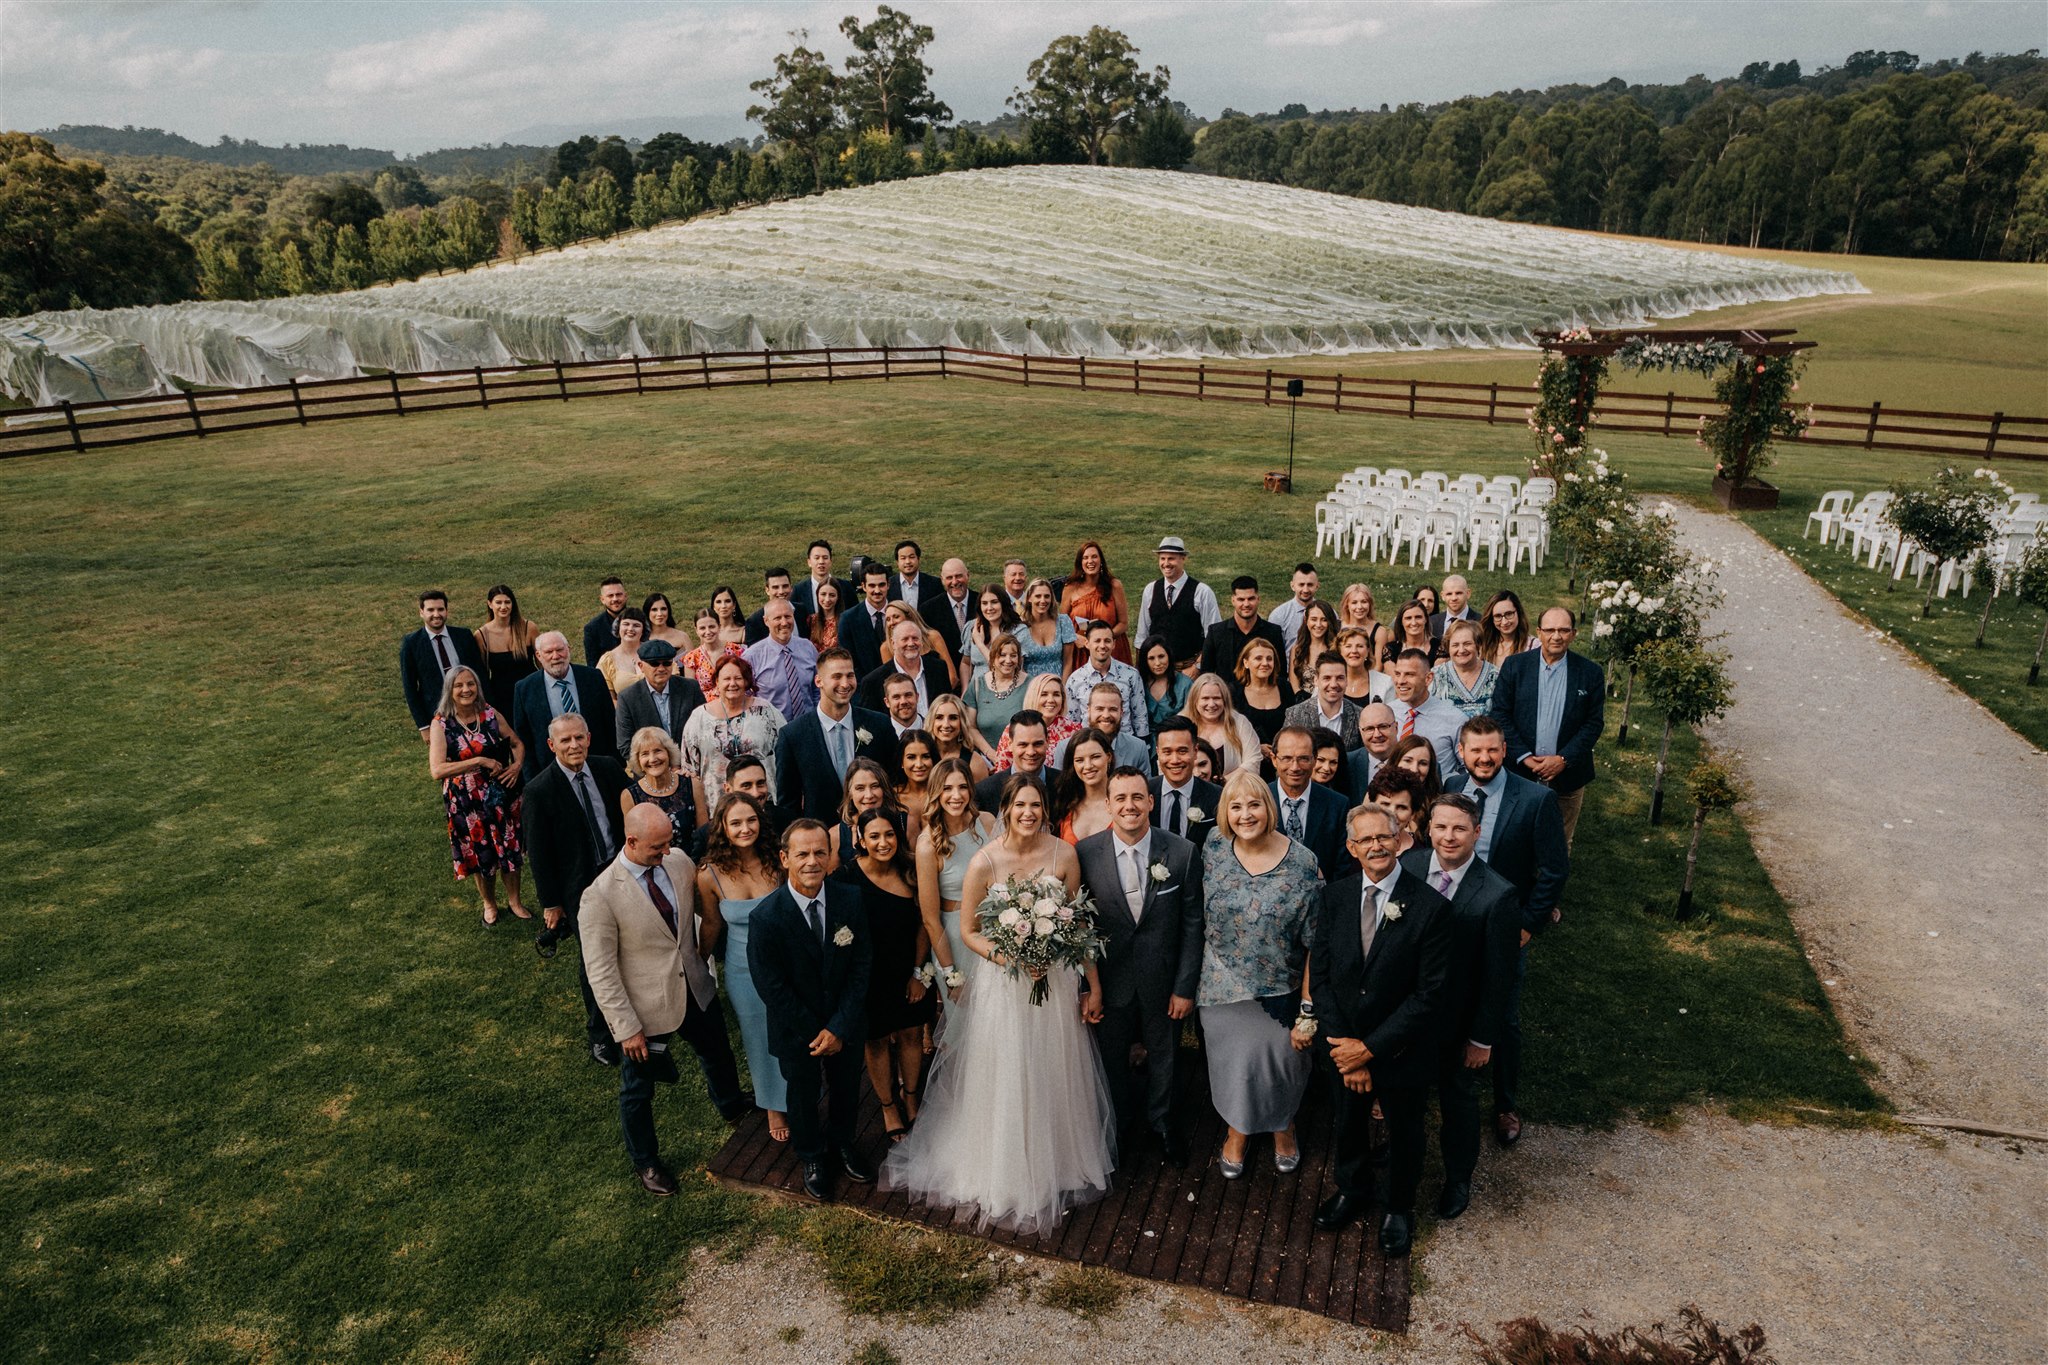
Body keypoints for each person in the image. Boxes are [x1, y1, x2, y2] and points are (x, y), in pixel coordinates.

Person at [880, 776, 1114, 1235]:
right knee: (1006, 1069)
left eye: (1035, 805)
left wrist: (1092, 982)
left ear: (1044, 809)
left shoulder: (1063, 855)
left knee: (1051, 1068)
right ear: (1005, 810)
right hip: (1003, 986)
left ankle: (1058, 1160)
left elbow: (1076, 921)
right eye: (1019, 805)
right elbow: (968, 930)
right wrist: (1009, 956)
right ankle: (1003, 1165)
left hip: (1053, 982)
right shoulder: (985, 861)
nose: (1028, 813)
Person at [581, 805, 752, 1196]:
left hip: (694, 985)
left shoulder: (676, 861)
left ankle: (730, 1104)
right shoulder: (600, 896)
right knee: (638, 1091)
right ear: (631, 842)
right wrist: (626, 1029)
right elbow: (601, 972)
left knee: (718, 1051)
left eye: (669, 843)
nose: (667, 851)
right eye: (657, 847)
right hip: (647, 1010)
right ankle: (646, 1162)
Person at [1305, 802, 1451, 1256]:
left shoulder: (1430, 908)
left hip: (1400, 1050)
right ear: (1351, 848)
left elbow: (1429, 997)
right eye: (1365, 840)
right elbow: (1322, 977)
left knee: (1406, 1129)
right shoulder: (1333, 898)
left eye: (1383, 837)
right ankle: (1353, 1188)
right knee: (1347, 1121)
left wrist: (1368, 1050)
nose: (1375, 846)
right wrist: (1342, 1046)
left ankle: (1398, 1206)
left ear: (1401, 839)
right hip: (1342, 1043)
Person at [1442, 716, 1569, 1150]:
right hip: (1451, 921)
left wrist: (1529, 925)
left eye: (1492, 749)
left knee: (1505, 1015)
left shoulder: (1534, 800)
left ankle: (1505, 1103)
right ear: (1462, 752)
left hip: (1504, 928)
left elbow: (1554, 869)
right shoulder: (1451, 787)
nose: (1484, 758)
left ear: (1503, 751)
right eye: (1475, 750)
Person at [1075, 767, 1203, 1164]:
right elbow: (1080, 924)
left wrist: (1184, 987)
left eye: (1137, 797)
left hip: (1163, 980)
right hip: (1110, 981)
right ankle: (1118, 1125)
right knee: (1111, 1057)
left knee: (1164, 1054)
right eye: (1121, 799)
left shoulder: (1181, 852)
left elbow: (1193, 925)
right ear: (1109, 804)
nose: (1129, 806)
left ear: (1150, 802)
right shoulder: (1085, 853)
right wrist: (1088, 986)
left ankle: (1162, 1122)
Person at [1402, 793, 1519, 1222]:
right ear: (1427, 829)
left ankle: (1458, 1177)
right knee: (1405, 1094)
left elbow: (1498, 976)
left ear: (1476, 833)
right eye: (1441, 827)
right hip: (1408, 1015)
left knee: (1457, 1102)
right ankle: (1400, 1156)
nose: (1448, 837)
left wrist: (1482, 1038)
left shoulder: (1498, 895)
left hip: (1458, 1022)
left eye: (1459, 829)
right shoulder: (1410, 868)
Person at [1199, 769, 1318, 1180]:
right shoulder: (1213, 846)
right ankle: (1238, 1130)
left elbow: (1315, 944)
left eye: (1253, 805)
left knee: (1281, 1066)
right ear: (1224, 813)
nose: (1245, 815)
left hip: (1280, 990)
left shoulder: (1303, 863)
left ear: (1268, 809)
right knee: (1235, 1067)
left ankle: (1284, 1125)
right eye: (1235, 806)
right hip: (1220, 986)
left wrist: (1306, 1007)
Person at [747, 821, 874, 1203]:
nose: (812, 861)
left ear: (831, 855)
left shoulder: (850, 900)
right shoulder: (766, 917)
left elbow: (861, 964)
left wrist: (838, 1027)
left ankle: (843, 1143)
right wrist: (815, 1030)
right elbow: (770, 986)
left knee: (847, 1087)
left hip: (844, 1022)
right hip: (795, 1027)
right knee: (801, 1093)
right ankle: (812, 1156)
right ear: (785, 858)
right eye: (802, 853)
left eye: (820, 852)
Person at [521, 715, 629, 1062]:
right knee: (594, 958)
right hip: (579, 887)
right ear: (552, 746)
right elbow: (538, 853)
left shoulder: (608, 769)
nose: (573, 746)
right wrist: (551, 903)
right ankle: (600, 1034)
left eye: (578, 738)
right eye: (565, 741)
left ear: (589, 738)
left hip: (619, 870)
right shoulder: (539, 790)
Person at [696, 792, 790, 1142]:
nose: (745, 828)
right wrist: (698, 960)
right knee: (757, 1036)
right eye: (735, 822)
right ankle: (772, 1105)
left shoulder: (776, 859)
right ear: (722, 826)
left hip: (784, 963)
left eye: (750, 820)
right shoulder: (709, 874)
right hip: (741, 968)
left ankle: (797, 1090)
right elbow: (710, 924)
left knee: (789, 1028)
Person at [844, 809, 935, 1142]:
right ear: (861, 840)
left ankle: (911, 1096)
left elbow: (925, 923)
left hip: (910, 968)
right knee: (877, 1042)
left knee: (912, 1035)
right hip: (869, 977)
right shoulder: (846, 877)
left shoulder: (911, 871)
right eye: (875, 836)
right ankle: (887, 1105)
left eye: (889, 835)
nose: (883, 843)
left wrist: (917, 973)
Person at [1490, 607, 1605, 847]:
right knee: (1516, 839)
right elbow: (1500, 714)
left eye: (1564, 630)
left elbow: (1593, 724)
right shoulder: (1515, 667)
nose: (1557, 636)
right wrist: (1524, 757)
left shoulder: (1590, 673)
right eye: (1550, 630)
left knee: (1558, 843)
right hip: (1520, 772)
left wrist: (1563, 759)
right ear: (1539, 632)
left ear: (1573, 634)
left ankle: (1551, 884)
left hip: (1568, 776)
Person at [428, 665, 528, 925]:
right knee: (480, 852)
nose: (466, 690)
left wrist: (516, 767)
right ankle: (489, 904)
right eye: (459, 685)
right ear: (449, 691)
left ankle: (515, 901)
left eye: (470, 684)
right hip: (466, 800)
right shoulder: (441, 723)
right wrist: (480, 761)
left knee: (508, 847)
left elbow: (516, 742)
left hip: (500, 794)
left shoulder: (490, 714)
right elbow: (437, 769)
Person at [775, 647, 899, 826]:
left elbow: (894, 781)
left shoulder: (879, 724)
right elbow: (788, 803)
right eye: (836, 676)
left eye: (850, 675)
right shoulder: (793, 735)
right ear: (818, 681)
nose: (845, 683)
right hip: (822, 836)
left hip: (876, 832)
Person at [914, 757, 996, 1003]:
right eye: (947, 788)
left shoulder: (987, 822)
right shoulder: (928, 844)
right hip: (957, 940)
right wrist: (951, 974)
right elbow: (930, 919)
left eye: (962, 787)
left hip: (996, 931)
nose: (956, 795)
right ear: (936, 793)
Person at [681, 655, 785, 815]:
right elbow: (690, 768)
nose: (732, 683)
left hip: (762, 803)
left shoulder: (766, 711)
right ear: (717, 682)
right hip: (717, 807)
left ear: (746, 681)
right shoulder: (699, 717)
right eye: (726, 679)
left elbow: (785, 752)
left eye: (738, 678)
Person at [512, 630, 617, 773]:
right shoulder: (524, 689)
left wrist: (616, 764)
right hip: (551, 771)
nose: (556, 656)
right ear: (538, 655)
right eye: (549, 652)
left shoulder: (593, 678)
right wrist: (532, 778)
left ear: (569, 650)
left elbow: (610, 723)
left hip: (597, 764)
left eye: (560, 650)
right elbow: (525, 739)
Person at [1270, 725, 1351, 882]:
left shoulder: (1337, 805)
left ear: (1314, 759)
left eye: (1303, 759)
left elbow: (1341, 867)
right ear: (1274, 759)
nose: (1295, 767)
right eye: (1287, 758)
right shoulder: (1258, 800)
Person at [401, 589, 485, 737]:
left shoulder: (463, 636)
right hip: (438, 715)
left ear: (446, 610)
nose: (436, 614)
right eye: (430, 610)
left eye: (440, 609)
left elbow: (480, 674)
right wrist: (423, 726)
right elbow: (410, 688)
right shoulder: (411, 644)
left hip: (471, 709)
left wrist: (485, 708)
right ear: (421, 612)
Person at [1133, 536, 1221, 672]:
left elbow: (1214, 637)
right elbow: (1142, 635)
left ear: (1183, 558)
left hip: (1189, 670)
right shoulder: (1150, 590)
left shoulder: (1202, 591)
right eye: (1162, 559)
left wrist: (1196, 668)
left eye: (1171, 558)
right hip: (1157, 670)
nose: (1166, 563)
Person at [611, 628, 699, 756]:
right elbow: (625, 745)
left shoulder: (691, 688)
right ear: (641, 666)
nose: (661, 668)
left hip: (689, 766)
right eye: (654, 664)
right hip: (650, 768)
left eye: (667, 663)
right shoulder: (628, 698)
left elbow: (702, 731)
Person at [1065, 619, 1149, 740]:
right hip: (1089, 746)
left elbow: (1140, 716)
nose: (1102, 646)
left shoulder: (1131, 675)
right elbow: (1072, 722)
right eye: (1097, 641)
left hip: (1124, 743)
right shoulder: (1075, 680)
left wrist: (1143, 747)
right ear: (1087, 643)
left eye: (1107, 641)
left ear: (1114, 644)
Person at [1385, 648, 1465, 775]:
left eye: (1409, 674)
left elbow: (1467, 768)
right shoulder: (1386, 713)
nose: (1400, 681)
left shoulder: (1454, 718)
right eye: (1398, 674)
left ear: (1428, 678)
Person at [888, 539, 961, 668]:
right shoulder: (889, 586)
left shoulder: (934, 584)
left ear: (918, 559)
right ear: (897, 562)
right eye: (903, 558)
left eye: (912, 557)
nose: (908, 562)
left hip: (927, 642)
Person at [1200, 576, 1287, 685]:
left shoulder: (1273, 632)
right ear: (1233, 600)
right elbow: (1205, 674)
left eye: (1251, 599)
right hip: (1228, 698)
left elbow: (1281, 672)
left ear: (1258, 599)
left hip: (1262, 697)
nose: (1246, 604)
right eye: (1241, 599)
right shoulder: (1216, 632)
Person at [858, 617, 950, 719]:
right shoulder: (874, 681)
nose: (911, 643)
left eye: (915, 638)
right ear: (893, 643)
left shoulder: (938, 668)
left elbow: (947, 704)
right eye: (905, 639)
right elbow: (868, 722)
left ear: (922, 641)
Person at [1059, 539, 1134, 666]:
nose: (1090, 561)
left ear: (1101, 561)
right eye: (1085, 558)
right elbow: (1062, 623)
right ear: (1080, 562)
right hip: (1080, 651)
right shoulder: (1070, 588)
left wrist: (1104, 638)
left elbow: (1123, 623)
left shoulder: (1114, 586)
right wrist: (1076, 638)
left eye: (1094, 557)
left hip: (1110, 650)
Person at [742, 599, 819, 721]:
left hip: (808, 725)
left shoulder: (808, 648)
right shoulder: (752, 656)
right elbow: (744, 697)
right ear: (766, 621)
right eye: (777, 618)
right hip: (772, 729)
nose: (784, 623)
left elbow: (818, 687)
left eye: (788, 616)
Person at [1230, 637, 1298, 774]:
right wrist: (1256, 747)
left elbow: (1294, 724)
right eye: (1258, 658)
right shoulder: (1234, 692)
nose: (1265, 663)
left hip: (1284, 763)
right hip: (1248, 763)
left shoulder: (1284, 687)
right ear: (1246, 663)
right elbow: (1230, 730)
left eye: (1269, 659)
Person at [621, 724, 699, 844]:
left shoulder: (693, 785)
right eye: (645, 754)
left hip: (692, 860)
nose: (652, 759)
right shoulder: (629, 796)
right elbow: (634, 845)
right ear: (638, 760)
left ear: (669, 753)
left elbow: (704, 836)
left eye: (658, 751)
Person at [1051, 682, 1151, 775]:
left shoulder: (1138, 748)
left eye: (1113, 709)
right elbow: (1060, 790)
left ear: (1121, 712)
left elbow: (1145, 790)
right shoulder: (1065, 748)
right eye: (1100, 709)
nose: (1106, 715)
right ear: (1088, 710)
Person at [1150, 716, 1221, 847]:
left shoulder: (1218, 796)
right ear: (1158, 753)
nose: (1175, 760)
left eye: (1182, 751)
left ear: (1195, 751)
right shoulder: (1144, 792)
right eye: (1167, 752)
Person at [474, 584, 539, 719]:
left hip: (531, 690)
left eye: (507, 602)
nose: (503, 607)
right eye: (498, 602)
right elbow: (482, 674)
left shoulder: (529, 627)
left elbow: (542, 663)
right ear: (490, 604)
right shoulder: (481, 635)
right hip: (502, 697)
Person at [962, 631, 1027, 764]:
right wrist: (992, 755)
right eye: (1002, 655)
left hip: (1021, 760)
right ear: (992, 657)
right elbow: (970, 727)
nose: (1008, 661)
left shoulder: (1030, 685)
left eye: (1013, 656)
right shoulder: (977, 686)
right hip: (986, 761)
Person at [828, 757, 901, 874]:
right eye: (860, 788)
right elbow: (833, 884)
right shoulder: (836, 835)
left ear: (884, 789)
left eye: (875, 786)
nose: (869, 795)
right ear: (850, 793)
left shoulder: (904, 823)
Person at [1180, 672, 1260, 776]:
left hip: (1232, 789)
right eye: (1205, 698)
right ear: (1194, 700)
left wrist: (1223, 783)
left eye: (1217, 698)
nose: (1211, 704)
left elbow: (1253, 761)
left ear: (1225, 700)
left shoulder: (1239, 722)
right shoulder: (1181, 724)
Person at [993, 676, 1077, 772]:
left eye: (1056, 694)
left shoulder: (1074, 730)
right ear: (1033, 697)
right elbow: (1002, 769)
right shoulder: (1015, 728)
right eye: (1044, 694)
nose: (1051, 700)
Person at [1049, 727, 1115, 844]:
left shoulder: (1123, 801)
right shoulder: (1063, 804)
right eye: (1079, 760)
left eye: (1095, 757)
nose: (1088, 766)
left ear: (1108, 757)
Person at [976, 711, 1052, 811]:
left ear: (1047, 742)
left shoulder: (1065, 786)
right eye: (1023, 745)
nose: (1031, 752)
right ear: (1010, 744)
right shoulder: (985, 792)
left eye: (1037, 744)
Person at [1287, 650, 1363, 751]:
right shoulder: (1295, 715)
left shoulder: (1360, 715)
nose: (1333, 684)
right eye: (1327, 678)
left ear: (1347, 680)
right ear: (1316, 680)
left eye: (1340, 678)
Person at [964, 584, 1026, 693]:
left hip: (1006, 690)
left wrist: (980, 644)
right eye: (984, 603)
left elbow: (1008, 669)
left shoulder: (1018, 630)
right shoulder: (972, 627)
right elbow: (965, 662)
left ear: (1003, 603)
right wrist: (965, 690)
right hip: (976, 691)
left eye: (994, 602)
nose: (989, 608)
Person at [1432, 619, 1499, 720]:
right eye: (1455, 645)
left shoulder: (1496, 675)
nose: (1461, 650)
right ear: (1448, 647)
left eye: (1467, 644)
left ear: (1478, 645)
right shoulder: (1435, 675)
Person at [837, 563, 895, 678]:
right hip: (865, 687)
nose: (877, 590)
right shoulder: (848, 619)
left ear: (888, 585)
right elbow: (848, 661)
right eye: (872, 585)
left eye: (881, 585)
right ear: (863, 586)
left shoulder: (901, 613)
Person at [1015, 577, 1074, 680]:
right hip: (1030, 687)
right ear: (1029, 598)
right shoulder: (1020, 627)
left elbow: (1068, 661)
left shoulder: (1063, 622)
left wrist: (1063, 688)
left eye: (1047, 596)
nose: (1043, 601)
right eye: (1038, 596)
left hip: (1057, 684)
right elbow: (1018, 667)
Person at [792, 539, 852, 638]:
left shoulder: (846, 587)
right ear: (809, 562)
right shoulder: (798, 590)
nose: (821, 562)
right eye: (817, 558)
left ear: (830, 561)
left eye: (825, 558)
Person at [1136, 635, 1193, 737]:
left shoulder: (1185, 684)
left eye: (1161, 656)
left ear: (1169, 656)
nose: (1157, 663)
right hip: (1145, 741)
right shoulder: (1139, 683)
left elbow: (1192, 718)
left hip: (1177, 738)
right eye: (1151, 658)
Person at [923, 694, 988, 783]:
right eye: (939, 717)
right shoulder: (921, 755)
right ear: (931, 721)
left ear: (962, 722)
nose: (946, 725)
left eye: (953, 718)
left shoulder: (975, 762)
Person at [1344, 702, 1400, 799]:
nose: (1377, 734)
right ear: (1361, 732)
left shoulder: (1414, 762)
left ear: (1396, 727)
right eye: (1369, 728)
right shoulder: (1346, 764)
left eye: (1383, 726)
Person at [1366, 764, 1427, 855]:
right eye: (1385, 804)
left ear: (1413, 814)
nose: (1392, 813)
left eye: (1401, 807)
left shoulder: (1422, 856)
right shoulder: (1354, 850)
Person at [681, 607, 743, 693]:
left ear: (719, 626)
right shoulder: (692, 658)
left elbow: (745, 680)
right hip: (705, 704)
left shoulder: (736, 650)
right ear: (696, 630)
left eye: (712, 627)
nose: (708, 632)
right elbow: (690, 692)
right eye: (702, 628)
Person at [892, 730, 938, 843]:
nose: (919, 764)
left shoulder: (944, 794)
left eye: (925, 756)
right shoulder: (891, 797)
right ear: (902, 762)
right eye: (911, 757)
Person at [1287, 599, 1340, 694]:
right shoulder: (1297, 649)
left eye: (1324, 620)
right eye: (1314, 619)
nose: (1318, 624)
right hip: (1302, 702)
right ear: (1306, 620)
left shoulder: (1337, 649)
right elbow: (1294, 683)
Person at [1268, 563, 1321, 657]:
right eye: (1301, 585)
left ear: (1317, 586)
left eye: (1310, 585)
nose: (1305, 590)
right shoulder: (1279, 615)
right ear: (1292, 586)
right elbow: (1272, 652)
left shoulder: (1328, 613)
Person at [1334, 625, 1392, 710]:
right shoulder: (1327, 680)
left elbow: (1391, 717)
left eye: (1360, 646)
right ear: (1339, 651)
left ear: (1368, 651)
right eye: (1348, 646)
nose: (1354, 651)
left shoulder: (1385, 683)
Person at [597, 608, 649, 699]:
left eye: (636, 625)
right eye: (626, 624)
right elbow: (608, 699)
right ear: (618, 627)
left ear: (643, 630)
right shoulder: (607, 660)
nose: (630, 629)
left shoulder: (655, 651)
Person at [932, 558, 977, 662]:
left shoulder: (982, 603)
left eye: (959, 576)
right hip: (947, 673)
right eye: (949, 578)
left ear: (968, 575)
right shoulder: (929, 610)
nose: (954, 582)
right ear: (942, 580)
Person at [1337, 583, 1390, 665]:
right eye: (1354, 603)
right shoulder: (1336, 626)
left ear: (1370, 604)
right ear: (1347, 605)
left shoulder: (1379, 632)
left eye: (1364, 602)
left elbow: (1378, 666)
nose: (1359, 607)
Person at [1477, 589, 1535, 666]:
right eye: (1498, 616)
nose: (1504, 622)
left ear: (1518, 612)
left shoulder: (1534, 646)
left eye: (1509, 614)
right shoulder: (1483, 644)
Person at [1388, 734, 1445, 808]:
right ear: (1395, 762)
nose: (1414, 769)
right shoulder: (1377, 797)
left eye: (1423, 763)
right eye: (1408, 761)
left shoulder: (1438, 807)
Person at [582, 576, 628, 666]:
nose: (615, 599)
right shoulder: (592, 628)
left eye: (619, 594)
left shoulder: (641, 620)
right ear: (602, 599)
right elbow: (593, 665)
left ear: (625, 596)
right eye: (610, 596)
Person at [743, 568, 796, 645]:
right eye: (775, 587)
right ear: (767, 590)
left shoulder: (802, 611)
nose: (781, 591)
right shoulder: (754, 622)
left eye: (785, 586)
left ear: (791, 588)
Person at [1382, 599, 1439, 669]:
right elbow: (1394, 678)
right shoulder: (1391, 649)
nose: (1414, 623)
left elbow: (1437, 678)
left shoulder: (1439, 647)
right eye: (1408, 618)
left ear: (1426, 619)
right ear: (1401, 622)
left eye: (1418, 617)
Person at [1430, 574, 1477, 638]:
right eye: (1449, 594)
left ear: (1468, 593)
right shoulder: (1432, 622)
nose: (1454, 598)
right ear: (1443, 596)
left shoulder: (1480, 622)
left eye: (1458, 593)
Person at [879, 674, 922, 740]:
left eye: (908, 695)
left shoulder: (933, 730)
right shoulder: (879, 735)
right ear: (887, 702)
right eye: (896, 697)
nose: (903, 702)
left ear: (917, 697)